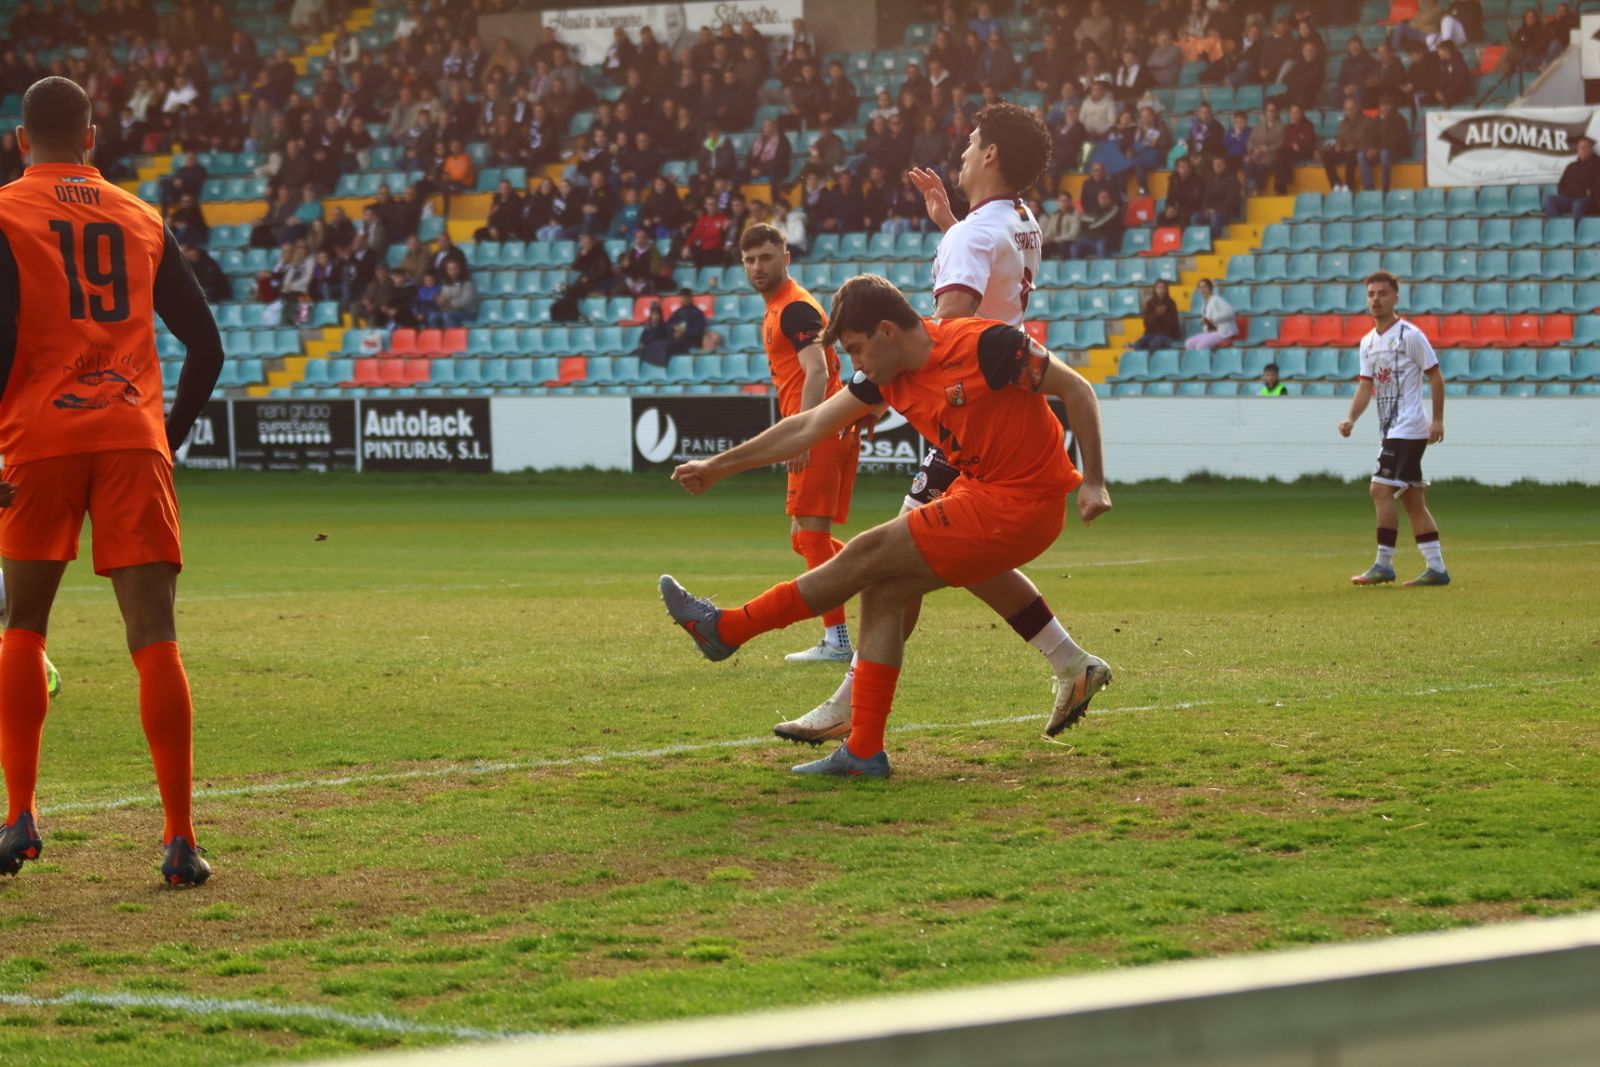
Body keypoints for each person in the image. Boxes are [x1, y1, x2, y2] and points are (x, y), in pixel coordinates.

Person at [659, 274, 1111, 778]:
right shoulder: (884, 376)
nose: (856, 365)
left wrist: (1094, 481)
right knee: (885, 590)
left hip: (1023, 503)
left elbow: (1077, 388)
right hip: (982, 493)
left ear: (886, 331)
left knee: (866, 552)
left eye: (855, 350)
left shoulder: (987, 345)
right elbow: (808, 427)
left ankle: (728, 628)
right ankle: (864, 751)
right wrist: (717, 467)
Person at [776, 102, 1109, 746]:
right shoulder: (1020, 220)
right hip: (1004, 406)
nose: (960, 152)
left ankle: (849, 703)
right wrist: (949, 224)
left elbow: (946, 334)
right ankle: (1071, 662)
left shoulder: (972, 237)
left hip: (969, 415)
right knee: (966, 559)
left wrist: (880, 393)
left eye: (971, 142)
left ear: (990, 156)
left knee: (896, 563)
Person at [0, 78, 222, 884]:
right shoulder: (141, 216)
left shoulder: (5, 212)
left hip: (39, 437)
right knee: (154, 637)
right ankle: (179, 840)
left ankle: (19, 816)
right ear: (91, 138)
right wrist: (165, 437)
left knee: (22, 626)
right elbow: (208, 347)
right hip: (132, 438)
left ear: (21, 141)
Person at [739, 224, 860, 664]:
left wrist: (803, 434)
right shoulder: (779, 308)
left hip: (818, 430)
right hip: (822, 428)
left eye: (766, 257)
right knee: (804, 539)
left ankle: (837, 641)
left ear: (785, 258)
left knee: (812, 537)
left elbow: (817, 373)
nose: (757, 267)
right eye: (750, 259)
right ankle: (876, 568)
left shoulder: (794, 309)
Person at [1340, 271, 1449, 588]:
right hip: (1390, 429)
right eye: (1371, 294)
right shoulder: (1367, 342)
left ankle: (1383, 564)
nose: (1375, 299)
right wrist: (1351, 419)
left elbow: (1436, 376)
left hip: (1409, 427)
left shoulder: (1410, 336)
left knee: (1379, 490)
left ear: (1395, 298)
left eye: (1382, 294)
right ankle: (1437, 568)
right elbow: (1365, 387)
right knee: (1413, 500)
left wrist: (1437, 419)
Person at [1543, 137, 1599, 221]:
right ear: (1577, 151)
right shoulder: (1571, 166)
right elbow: (1561, 184)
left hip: (1587, 200)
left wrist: (1591, 192)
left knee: (1577, 204)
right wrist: (1567, 193)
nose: (1583, 150)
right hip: (1569, 199)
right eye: (1581, 147)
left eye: (1586, 147)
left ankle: (1577, 232)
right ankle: (1558, 227)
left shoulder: (1597, 164)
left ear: (1591, 149)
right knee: (1549, 200)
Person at [1185, 278, 1237, 350]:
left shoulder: (1217, 300)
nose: (1202, 289)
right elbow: (1207, 322)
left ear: (1210, 288)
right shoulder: (1203, 305)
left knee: (1201, 346)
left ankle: (1208, 360)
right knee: (1189, 343)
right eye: (1200, 287)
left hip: (1222, 332)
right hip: (1210, 333)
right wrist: (1205, 322)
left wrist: (1213, 320)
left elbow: (1230, 313)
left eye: (1204, 287)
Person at [1132, 279, 1181, 349]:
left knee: (1153, 344)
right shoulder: (1150, 304)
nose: (1161, 290)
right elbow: (1146, 323)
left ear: (1166, 290)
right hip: (1151, 334)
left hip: (1167, 335)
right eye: (1159, 288)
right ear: (1155, 290)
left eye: (1163, 288)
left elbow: (1174, 324)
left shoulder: (1171, 303)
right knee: (1138, 344)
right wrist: (1156, 314)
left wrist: (1163, 315)